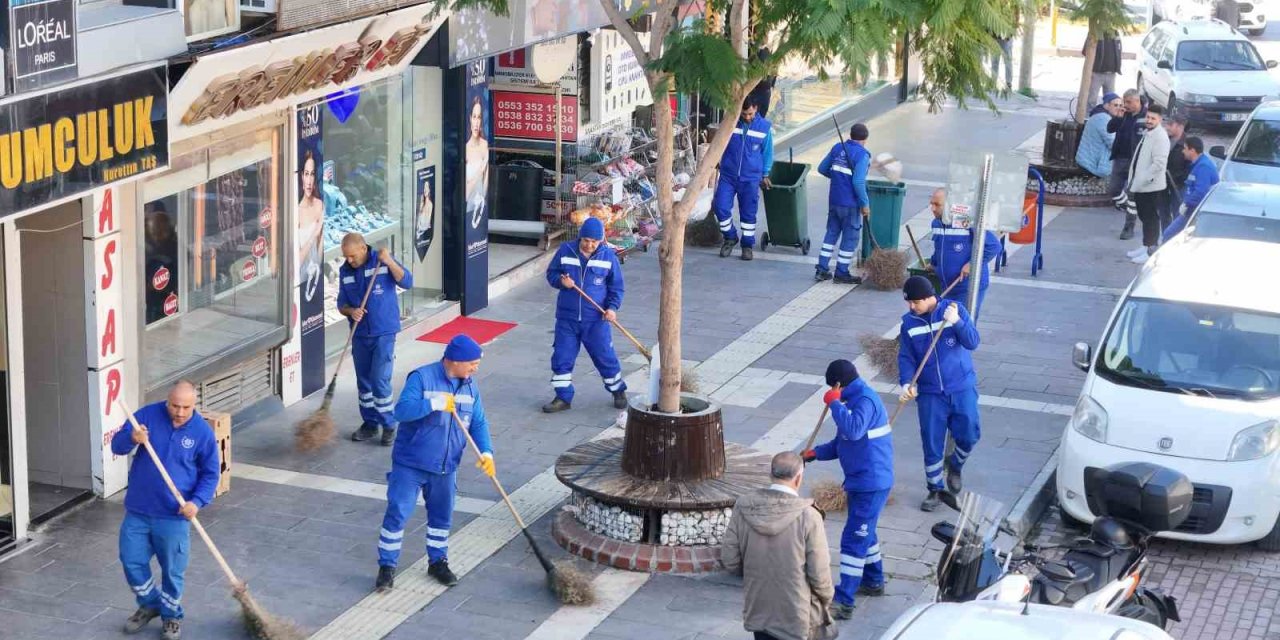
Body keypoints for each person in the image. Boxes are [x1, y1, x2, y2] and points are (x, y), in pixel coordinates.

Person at [375, 334, 495, 590]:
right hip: (410, 465)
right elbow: (402, 411)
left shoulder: (470, 387)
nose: (476, 368)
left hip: (445, 467)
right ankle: (387, 567)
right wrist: (433, 403)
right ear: (455, 361)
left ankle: (438, 561)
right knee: (397, 513)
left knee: (441, 518)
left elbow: (479, 423)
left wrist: (486, 453)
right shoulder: (421, 378)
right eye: (472, 363)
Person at [112, 381, 220, 640]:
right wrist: (132, 438)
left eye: (186, 407)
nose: (180, 412)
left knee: (173, 569)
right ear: (167, 401)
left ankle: (171, 616)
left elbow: (210, 474)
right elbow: (117, 445)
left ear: (195, 405)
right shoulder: (147, 415)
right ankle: (150, 604)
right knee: (131, 560)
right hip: (139, 508)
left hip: (174, 515)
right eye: (174, 406)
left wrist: (197, 502)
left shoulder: (202, 433)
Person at [801, 360, 893, 620]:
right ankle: (873, 581)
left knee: (854, 539)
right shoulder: (854, 401)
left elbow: (853, 431)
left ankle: (844, 600)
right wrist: (814, 453)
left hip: (870, 483)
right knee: (865, 531)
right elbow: (842, 442)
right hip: (862, 480)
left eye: (833, 387)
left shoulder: (864, 401)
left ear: (838, 384)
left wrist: (834, 403)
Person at [721, 452, 836, 640]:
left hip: (758, 606)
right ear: (798, 478)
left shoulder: (744, 506)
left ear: (771, 474)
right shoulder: (809, 516)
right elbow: (820, 573)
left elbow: (730, 559)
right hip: (797, 613)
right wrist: (826, 599)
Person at [897, 276, 981, 512]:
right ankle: (934, 488)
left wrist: (956, 323)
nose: (911, 307)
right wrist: (906, 383)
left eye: (915, 302)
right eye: (909, 303)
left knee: (971, 433)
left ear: (928, 297)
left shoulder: (954, 310)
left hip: (962, 387)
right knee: (931, 440)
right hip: (930, 393)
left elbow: (973, 341)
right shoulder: (909, 323)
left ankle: (955, 465)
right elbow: (906, 356)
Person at [542, 217, 627, 413]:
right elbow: (552, 274)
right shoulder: (565, 251)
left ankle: (617, 390)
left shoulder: (609, 257)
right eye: (586, 240)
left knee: (605, 357)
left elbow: (616, 288)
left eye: (594, 241)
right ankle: (562, 397)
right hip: (567, 319)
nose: (589, 245)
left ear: (601, 240)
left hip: (596, 320)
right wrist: (561, 282)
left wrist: (612, 308)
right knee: (562, 357)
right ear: (580, 237)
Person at [342, 233, 414, 445]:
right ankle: (370, 424)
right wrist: (351, 311)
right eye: (346, 256)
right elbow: (341, 304)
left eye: (352, 256)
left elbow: (408, 281)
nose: (349, 260)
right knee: (363, 382)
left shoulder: (381, 262)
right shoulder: (345, 271)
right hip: (359, 333)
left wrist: (390, 261)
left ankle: (389, 424)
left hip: (384, 332)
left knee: (379, 380)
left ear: (363, 249)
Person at [926, 188, 1001, 320]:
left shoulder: (966, 221)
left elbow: (994, 246)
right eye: (931, 203)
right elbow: (939, 248)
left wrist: (971, 264)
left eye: (937, 204)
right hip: (946, 286)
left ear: (949, 205)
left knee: (962, 325)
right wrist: (933, 264)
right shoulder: (936, 223)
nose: (932, 208)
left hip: (968, 287)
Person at [714, 99, 774, 261]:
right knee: (720, 207)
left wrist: (765, 174)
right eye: (744, 114)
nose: (747, 117)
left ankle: (747, 246)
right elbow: (719, 144)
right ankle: (730, 237)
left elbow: (768, 153)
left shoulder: (765, 128)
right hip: (728, 175)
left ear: (756, 108)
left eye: (750, 114)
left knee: (748, 214)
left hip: (751, 178)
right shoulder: (730, 123)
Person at [814, 123, 871, 284]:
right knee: (850, 237)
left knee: (831, 233)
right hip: (850, 204)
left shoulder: (838, 148)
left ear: (851, 135)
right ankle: (841, 272)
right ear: (865, 139)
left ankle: (822, 269)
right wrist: (865, 204)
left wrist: (839, 179)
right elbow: (859, 182)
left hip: (834, 200)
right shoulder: (862, 155)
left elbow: (822, 168)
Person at [1126, 105, 1170, 264]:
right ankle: (1146, 246)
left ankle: (1151, 250)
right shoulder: (1149, 133)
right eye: (1148, 117)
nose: (1149, 121)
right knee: (1144, 216)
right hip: (1141, 184)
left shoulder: (1160, 137)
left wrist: (1144, 178)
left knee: (1150, 217)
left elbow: (1159, 164)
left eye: (1153, 118)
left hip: (1150, 186)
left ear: (1160, 120)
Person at [1162, 137, 1219, 242]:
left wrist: (1187, 204)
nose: (1183, 151)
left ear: (1192, 150)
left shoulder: (1203, 167)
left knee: (1169, 235)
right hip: (1193, 210)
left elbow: (1201, 192)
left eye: (1185, 148)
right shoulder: (1199, 164)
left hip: (1194, 211)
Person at [1109, 89, 1147, 239]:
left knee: (1132, 195)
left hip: (1136, 162)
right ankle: (1128, 208)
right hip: (1120, 158)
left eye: (1129, 102)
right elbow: (1110, 128)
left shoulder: (1146, 117)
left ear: (1137, 101)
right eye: (1125, 102)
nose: (1126, 105)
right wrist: (1118, 118)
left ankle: (1128, 227)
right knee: (1113, 189)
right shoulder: (1124, 114)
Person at [1076, 93, 1119, 179]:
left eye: (1120, 105)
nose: (1118, 108)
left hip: (1088, 159)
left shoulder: (1101, 115)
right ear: (1106, 105)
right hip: (1091, 163)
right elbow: (1113, 144)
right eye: (1115, 105)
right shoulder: (1103, 118)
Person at [1160, 113, 1190, 232]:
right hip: (1162, 184)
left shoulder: (1188, 144)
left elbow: (1191, 166)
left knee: (1178, 215)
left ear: (1180, 126)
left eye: (1170, 125)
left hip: (1179, 186)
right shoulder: (1164, 139)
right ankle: (1165, 239)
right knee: (1163, 213)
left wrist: (1180, 179)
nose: (1167, 127)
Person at [465, 97, 490, 228]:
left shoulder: (485, 145)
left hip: (480, 208)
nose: (476, 122)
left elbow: (486, 181)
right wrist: (479, 172)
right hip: (468, 208)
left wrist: (482, 199)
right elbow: (465, 192)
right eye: (474, 117)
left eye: (479, 117)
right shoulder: (466, 149)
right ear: (470, 118)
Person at [1086, 34, 1122, 109]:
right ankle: (1089, 118)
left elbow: (1119, 51)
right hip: (1097, 74)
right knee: (1092, 99)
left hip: (1111, 74)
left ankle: (1108, 119)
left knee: (1111, 101)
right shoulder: (1096, 32)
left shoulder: (1115, 34)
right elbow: (1086, 51)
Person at [748, 47, 777, 118]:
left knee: (754, 115)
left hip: (760, 90)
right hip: (761, 90)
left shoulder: (759, 55)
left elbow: (774, 73)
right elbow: (774, 73)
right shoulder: (761, 55)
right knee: (757, 115)